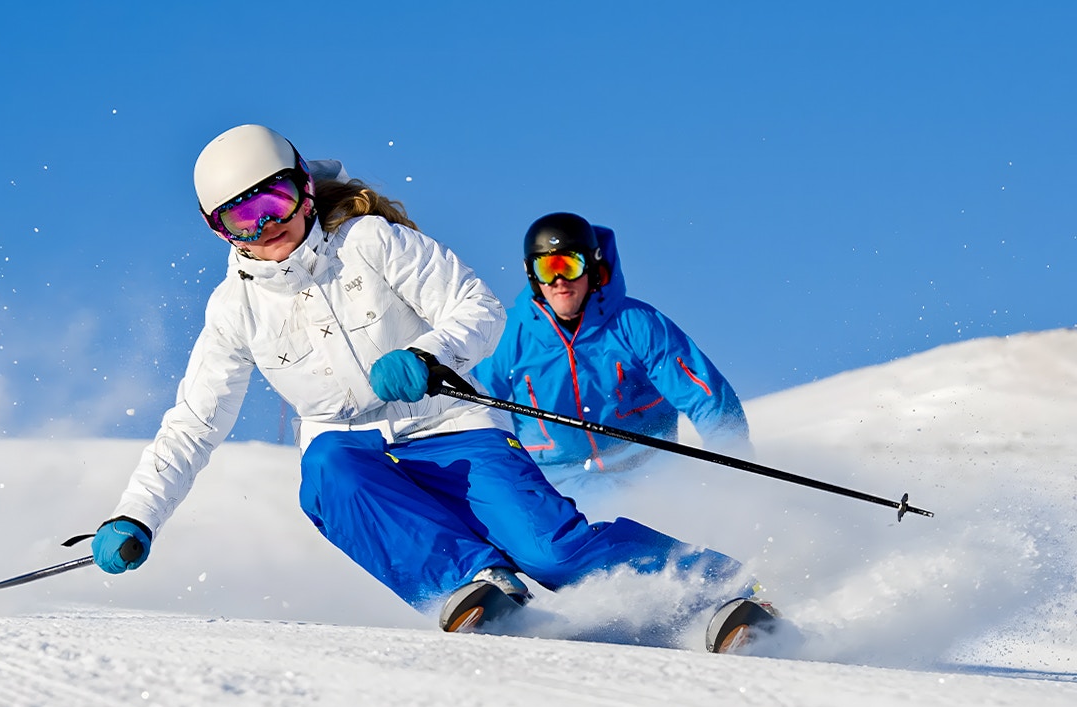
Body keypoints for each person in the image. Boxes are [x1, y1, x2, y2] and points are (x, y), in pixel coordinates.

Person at [86, 125, 767, 649]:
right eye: (245, 218)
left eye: (276, 199)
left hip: (450, 431)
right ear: (220, 230)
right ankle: (471, 586)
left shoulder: (371, 243)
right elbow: (194, 423)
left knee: (550, 549)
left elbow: (477, 306)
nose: (271, 227)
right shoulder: (234, 309)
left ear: (301, 186)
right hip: (357, 455)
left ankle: (720, 591)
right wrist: (137, 514)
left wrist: (427, 355)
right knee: (323, 469)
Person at [473, 213, 751, 492]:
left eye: (570, 266)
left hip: (650, 475)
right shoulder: (509, 336)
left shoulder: (635, 323)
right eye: (547, 268)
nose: (559, 281)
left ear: (592, 265)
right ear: (532, 275)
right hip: (557, 488)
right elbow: (473, 409)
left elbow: (704, 396)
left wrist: (731, 468)